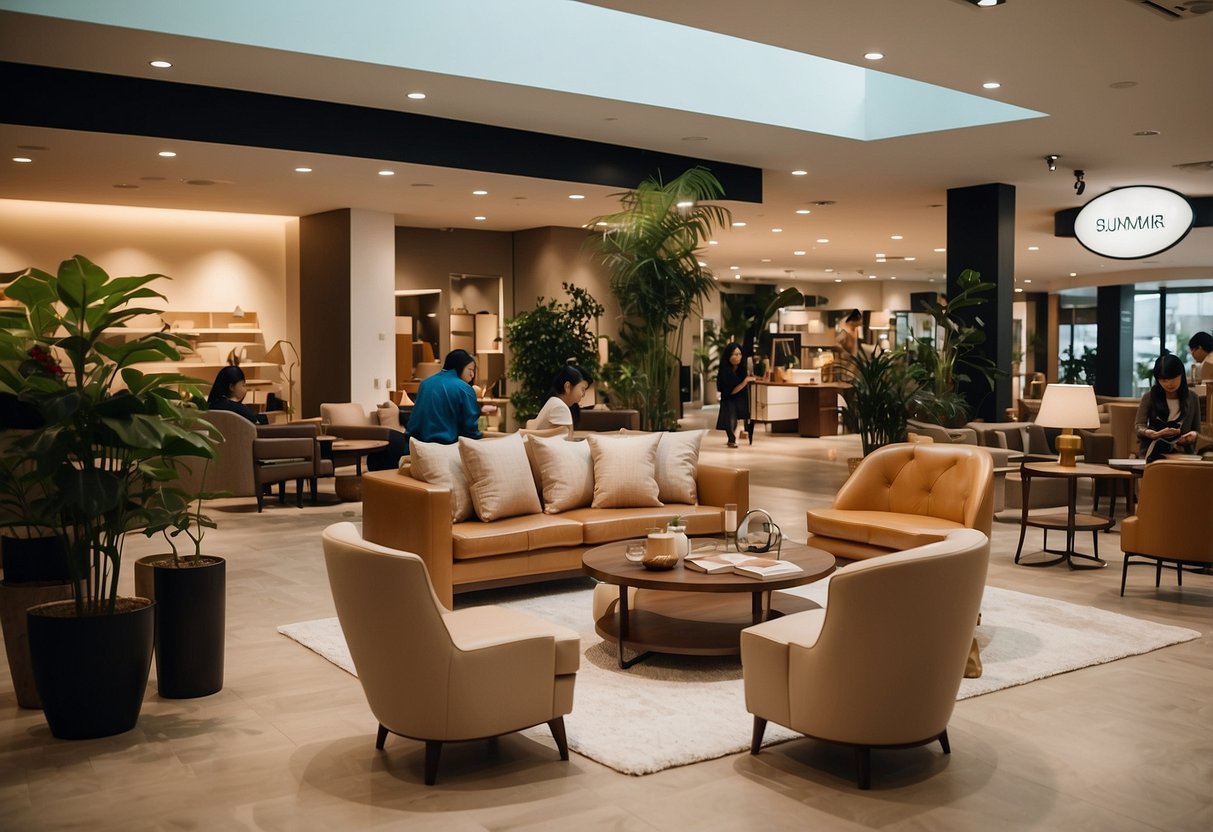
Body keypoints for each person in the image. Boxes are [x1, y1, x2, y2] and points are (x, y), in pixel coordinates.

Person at [404, 349, 495, 447]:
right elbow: (471, 428)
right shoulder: (464, 388)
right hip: (447, 446)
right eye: (470, 369)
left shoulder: (425, 383)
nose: (472, 375)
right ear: (460, 366)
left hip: (416, 444)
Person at [1134, 353, 1200, 459]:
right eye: (1163, 380)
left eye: (1173, 378)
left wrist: (1193, 436)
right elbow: (1139, 426)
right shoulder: (1150, 397)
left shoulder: (1192, 398)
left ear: (1181, 375)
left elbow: (1197, 429)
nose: (1169, 384)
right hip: (1153, 453)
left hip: (1183, 454)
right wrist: (1151, 434)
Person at [716, 342, 756, 448]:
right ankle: (731, 439)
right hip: (728, 396)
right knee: (730, 411)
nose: (738, 357)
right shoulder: (725, 371)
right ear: (729, 356)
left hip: (738, 396)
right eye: (735, 354)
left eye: (740, 354)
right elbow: (730, 391)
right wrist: (745, 382)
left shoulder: (741, 368)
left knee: (740, 409)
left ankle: (735, 436)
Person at [531, 365, 590, 432]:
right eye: (582, 389)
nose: (583, 394)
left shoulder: (555, 401)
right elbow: (565, 438)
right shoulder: (560, 408)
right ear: (567, 387)